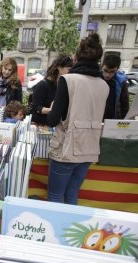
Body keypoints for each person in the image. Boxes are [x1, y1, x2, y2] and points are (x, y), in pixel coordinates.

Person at [47, 33, 109, 205]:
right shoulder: (103, 84)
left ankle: (57, 231)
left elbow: (52, 120)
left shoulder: (68, 80)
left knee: (55, 196)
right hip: (89, 149)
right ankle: (68, 230)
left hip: (66, 148)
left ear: (77, 56)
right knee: (72, 194)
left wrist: (53, 107)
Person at [31, 55, 73, 125]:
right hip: (42, 125)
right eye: (69, 69)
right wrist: (52, 110)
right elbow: (36, 107)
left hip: (57, 126)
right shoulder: (43, 85)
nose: (70, 72)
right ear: (59, 67)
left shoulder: (63, 84)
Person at [101, 54, 129, 120]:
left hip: (113, 119)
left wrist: (124, 122)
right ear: (102, 66)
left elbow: (124, 105)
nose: (107, 75)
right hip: (96, 119)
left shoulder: (121, 82)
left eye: (112, 72)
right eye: (105, 70)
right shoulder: (96, 78)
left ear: (117, 70)